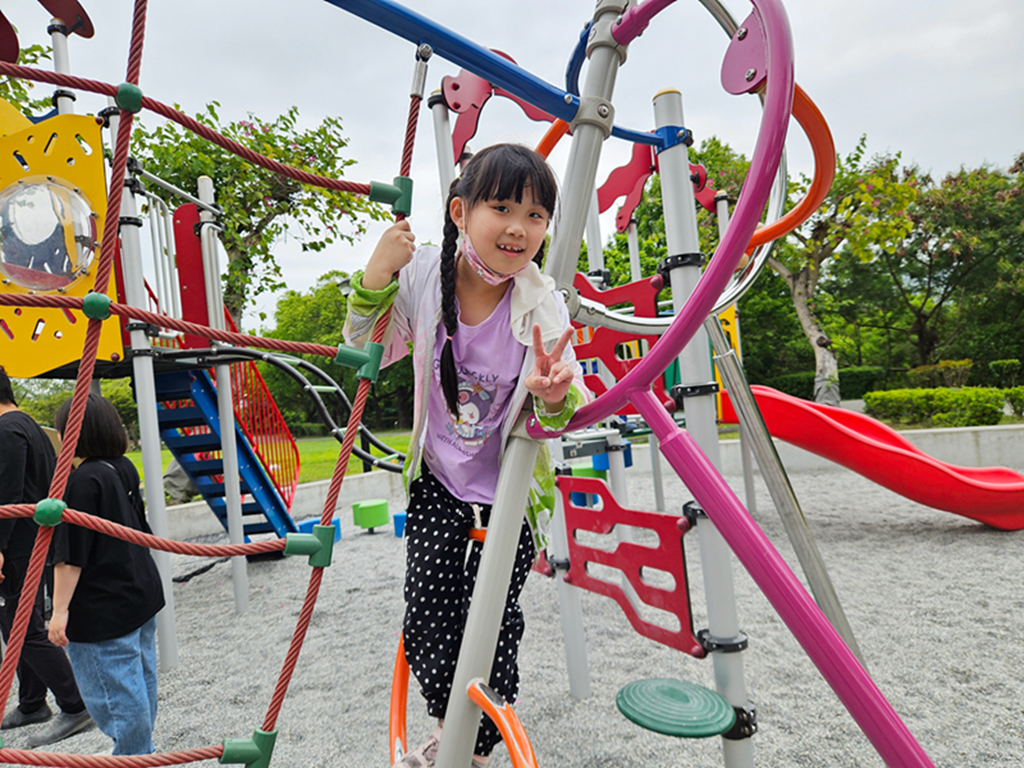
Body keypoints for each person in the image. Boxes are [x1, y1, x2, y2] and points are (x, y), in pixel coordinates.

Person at [343, 143, 590, 768]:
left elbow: (561, 410)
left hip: (510, 493)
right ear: (459, 211)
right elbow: (368, 347)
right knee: (428, 614)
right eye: (501, 206)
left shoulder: (543, 302)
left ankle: (473, 746)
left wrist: (555, 396)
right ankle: (450, 728)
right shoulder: (426, 274)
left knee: (494, 620)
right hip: (439, 481)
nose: (518, 226)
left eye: (536, 215)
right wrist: (376, 276)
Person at [50, 394, 165, 756]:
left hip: (104, 606)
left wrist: (58, 612)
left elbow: (71, 556)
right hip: (138, 592)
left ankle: (132, 754)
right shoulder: (121, 467)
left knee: (113, 694)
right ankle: (137, 749)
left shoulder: (82, 481)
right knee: (140, 682)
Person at [0, 366, 93, 748]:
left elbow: (6, 496)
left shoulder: (6, 432)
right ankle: (32, 702)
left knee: (21, 628)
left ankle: (75, 704)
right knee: (21, 623)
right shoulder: (29, 426)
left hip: (18, 544)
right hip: (32, 541)